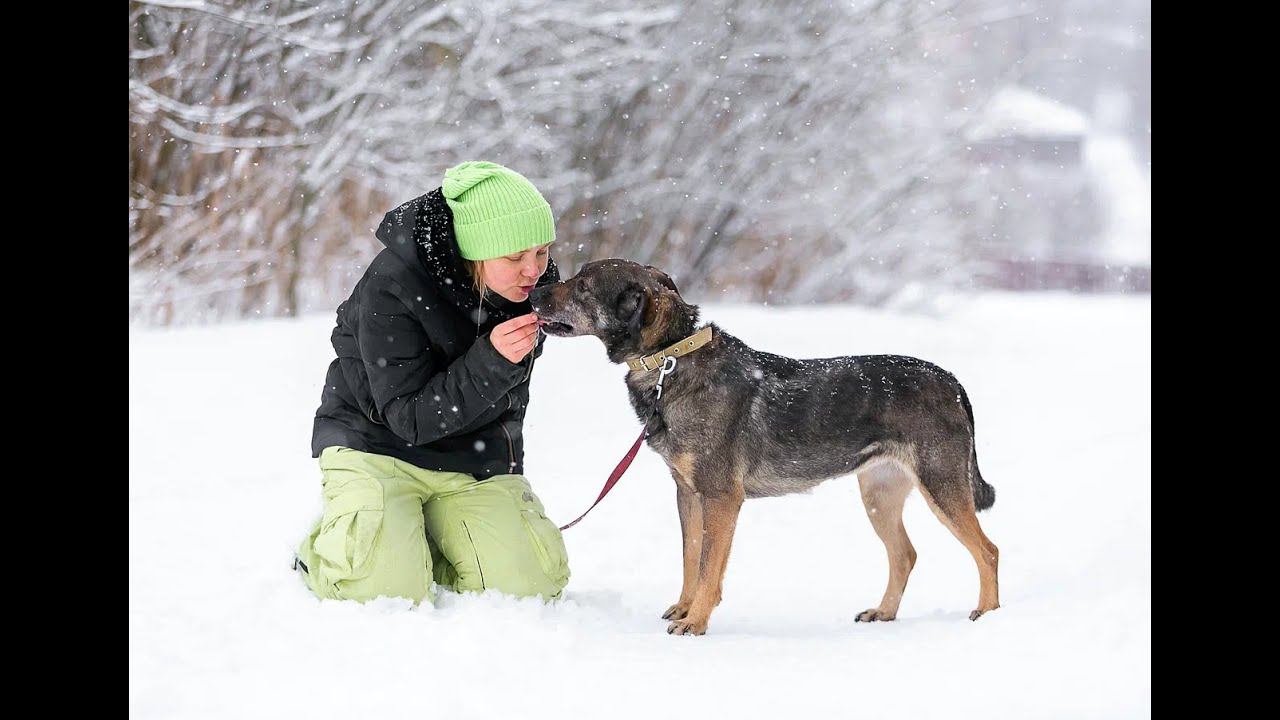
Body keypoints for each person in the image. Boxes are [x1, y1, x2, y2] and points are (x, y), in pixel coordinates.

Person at [294, 161, 569, 604]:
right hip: (376, 444)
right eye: (515, 257)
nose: (533, 270)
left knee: (529, 587)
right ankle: (332, 546)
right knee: (380, 590)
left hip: (472, 452)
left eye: (542, 251)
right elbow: (409, 418)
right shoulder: (393, 285)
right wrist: (493, 360)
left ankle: (424, 539)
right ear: (474, 251)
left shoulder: (530, 288)